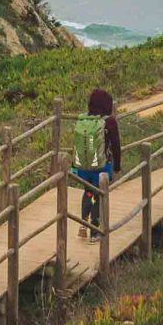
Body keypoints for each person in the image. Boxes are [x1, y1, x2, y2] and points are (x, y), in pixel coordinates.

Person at [72, 88, 121, 239]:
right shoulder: (109, 121)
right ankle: (94, 231)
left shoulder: (84, 119)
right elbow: (116, 146)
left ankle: (83, 224)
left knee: (88, 192)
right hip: (101, 167)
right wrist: (117, 167)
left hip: (84, 167)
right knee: (98, 196)